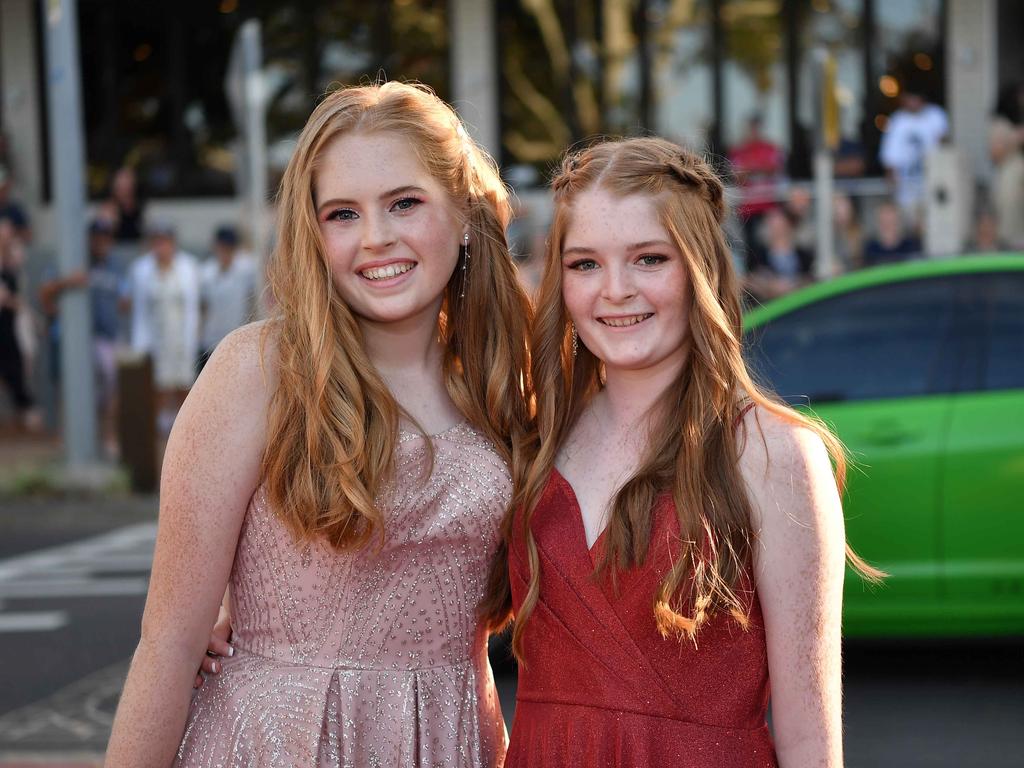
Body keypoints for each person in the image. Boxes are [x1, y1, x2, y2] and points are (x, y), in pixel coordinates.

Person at [105, 81, 532, 767]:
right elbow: (168, 644)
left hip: (456, 742)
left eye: (404, 202)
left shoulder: (503, 383)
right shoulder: (260, 370)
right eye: (342, 214)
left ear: (463, 210)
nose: (376, 238)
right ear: (313, 233)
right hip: (278, 744)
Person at [481, 137, 880, 767]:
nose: (614, 290)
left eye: (647, 259)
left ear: (701, 268)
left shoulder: (774, 454)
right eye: (585, 264)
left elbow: (811, 740)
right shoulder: (535, 437)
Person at [38, 217, 127, 454]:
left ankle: (107, 436)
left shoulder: (114, 265)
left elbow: (124, 300)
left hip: (106, 336)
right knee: (67, 384)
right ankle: (65, 437)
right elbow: (45, 294)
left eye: (105, 237)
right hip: (74, 338)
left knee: (110, 385)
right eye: (97, 237)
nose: (101, 242)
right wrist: (68, 283)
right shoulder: (73, 260)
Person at [128, 219, 200, 431]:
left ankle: (186, 430)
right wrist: (139, 344)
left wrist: (192, 341)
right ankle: (154, 434)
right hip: (156, 339)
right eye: (157, 242)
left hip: (180, 339)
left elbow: (192, 309)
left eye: (165, 242)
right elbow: (140, 311)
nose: (161, 247)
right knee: (155, 387)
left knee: (184, 386)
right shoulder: (141, 270)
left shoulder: (188, 268)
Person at [879, 86, 948, 218]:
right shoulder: (897, 120)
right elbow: (889, 161)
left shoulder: (935, 115)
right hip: (905, 190)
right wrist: (891, 191)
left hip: (932, 188)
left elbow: (945, 149)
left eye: (915, 98)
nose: (912, 102)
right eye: (910, 98)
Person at [197, 225, 257, 372]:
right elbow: (202, 307)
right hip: (211, 340)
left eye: (229, 247)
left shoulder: (246, 269)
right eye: (222, 247)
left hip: (238, 339)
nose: (225, 251)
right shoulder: (206, 272)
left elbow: (252, 302)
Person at [0, 215, 41, 431]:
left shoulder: (14, 260)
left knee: (19, 370)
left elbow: (13, 296)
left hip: (12, 327)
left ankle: (24, 419)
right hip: (6, 324)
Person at [743, 206, 814, 303]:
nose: (776, 229)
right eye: (772, 224)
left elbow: (811, 278)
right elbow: (749, 280)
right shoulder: (757, 254)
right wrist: (769, 286)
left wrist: (793, 285)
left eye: (780, 225)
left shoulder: (804, 255)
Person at [989, 83, 1024, 249]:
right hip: (1008, 178)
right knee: (1009, 217)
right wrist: (1016, 138)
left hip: (1020, 179)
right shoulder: (1000, 123)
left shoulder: (1018, 120)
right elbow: (995, 155)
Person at [863, 202, 921, 267]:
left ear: (899, 222)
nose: (888, 226)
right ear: (878, 223)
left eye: (892, 222)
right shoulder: (871, 248)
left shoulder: (911, 245)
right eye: (884, 223)